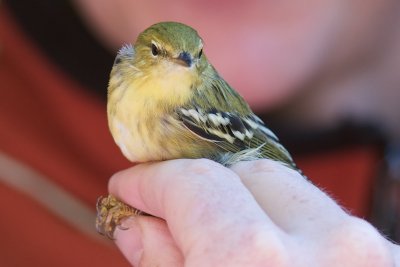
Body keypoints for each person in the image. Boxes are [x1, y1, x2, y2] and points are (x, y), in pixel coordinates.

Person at [1, 0, 399, 266]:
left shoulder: (188, 101)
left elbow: (257, 156)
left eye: (194, 58)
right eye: (161, 53)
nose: (183, 63)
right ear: (141, 52)